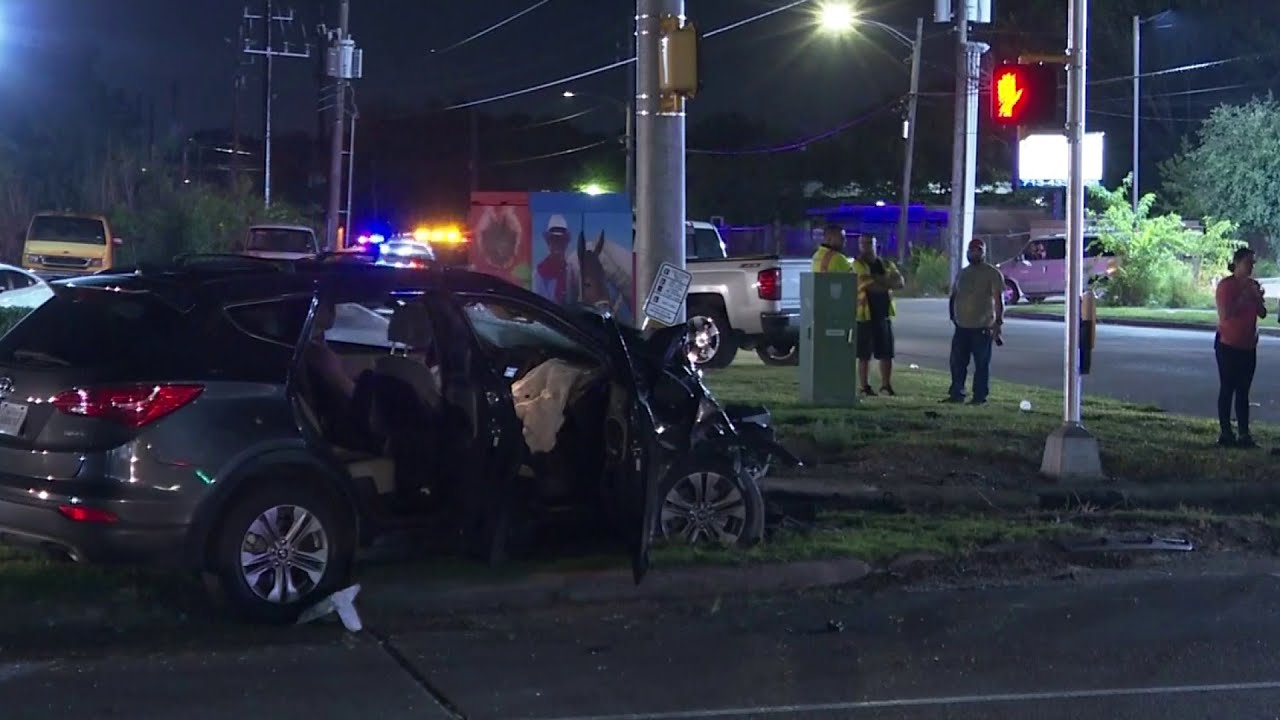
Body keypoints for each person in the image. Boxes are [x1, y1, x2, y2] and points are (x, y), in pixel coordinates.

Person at [1214, 247, 1266, 448]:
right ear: (1236, 263)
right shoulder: (1227, 286)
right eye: (1247, 262)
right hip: (1228, 344)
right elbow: (1225, 314)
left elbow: (1262, 313)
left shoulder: (1253, 285)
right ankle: (1226, 433)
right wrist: (1245, 296)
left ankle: (1244, 434)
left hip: (1248, 345)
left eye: (1253, 263)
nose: (1251, 266)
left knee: (1244, 390)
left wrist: (1258, 298)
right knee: (1228, 387)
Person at [944, 238, 1005, 405]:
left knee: (981, 364)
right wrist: (953, 316)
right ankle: (957, 393)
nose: (975, 252)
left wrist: (998, 323)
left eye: (978, 250)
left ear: (984, 252)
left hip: (982, 327)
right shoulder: (963, 273)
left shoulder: (992, 273)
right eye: (972, 249)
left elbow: (998, 300)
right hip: (962, 326)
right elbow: (954, 295)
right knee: (957, 362)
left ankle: (979, 397)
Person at [851, 234, 904, 395]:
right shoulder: (857, 264)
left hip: (883, 314)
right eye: (863, 244)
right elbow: (869, 286)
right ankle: (864, 387)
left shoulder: (886, 263)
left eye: (869, 243)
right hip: (865, 315)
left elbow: (900, 283)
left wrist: (878, 280)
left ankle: (886, 385)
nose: (866, 247)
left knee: (886, 353)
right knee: (864, 355)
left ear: (875, 244)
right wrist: (886, 282)